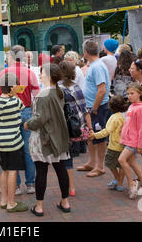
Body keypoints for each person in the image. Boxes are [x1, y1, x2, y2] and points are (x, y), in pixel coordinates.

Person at [24, 63, 70, 216]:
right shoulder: (59, 91)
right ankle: (65, 201)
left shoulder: (43, 94)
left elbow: (40, 118)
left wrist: (27, 124)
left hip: (44, 137)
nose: (40, 74)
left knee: (41, 171)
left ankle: (39, 206)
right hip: (59, 135)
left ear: (49, 76)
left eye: (42, 72)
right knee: (61, 169)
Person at [0, 45, 40, 195]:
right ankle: (30, 184)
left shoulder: (4, 73)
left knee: (12, 148)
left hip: (8, 112)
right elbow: (37, 95)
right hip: (26, 111)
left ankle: (15, 186)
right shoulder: (29, 73)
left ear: (11, 57)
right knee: (28, 149)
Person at [0, 72, 28, 212]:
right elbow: (22, 109)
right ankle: (11, 203)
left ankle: (3, 200)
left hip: (0, 143)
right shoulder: (16, 102)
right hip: (14, 142)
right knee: (13, 171)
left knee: (5, 170)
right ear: (13, 87)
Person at [58, 61, 93, 197]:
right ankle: (71, 187)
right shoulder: (76, 86)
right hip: (75, 127)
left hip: (61, 127)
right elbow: (84, 109)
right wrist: (89, 128)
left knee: (63, 158)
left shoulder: (56, 88)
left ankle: (67, 186)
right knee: (69, 158)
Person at [77, 40, 110, 178]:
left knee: (99, 136)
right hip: (91, 107)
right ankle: (91, 162)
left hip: (97, 108)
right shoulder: (95, 65)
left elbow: (101, 90)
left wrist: (95, 108)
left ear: (85, 52)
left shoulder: (97, 67)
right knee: (90, 135)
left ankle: (100, 166)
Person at [118, 82, 142, 199]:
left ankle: (131, 183)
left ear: (139, 93)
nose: (129, 96)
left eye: (132, 93)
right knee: (131, 162)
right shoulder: (132, 106)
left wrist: (141, 145)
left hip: (134, 140)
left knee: (121, 160)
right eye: (128, 94)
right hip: (127, 139)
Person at [88, 96, 128, 192]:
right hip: (125, 145)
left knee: (110, 163)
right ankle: (120, 183)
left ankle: (116, 178)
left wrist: (95, 135)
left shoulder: (113, 117)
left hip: (114, 146)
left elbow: (107, 131)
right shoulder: (125, 116)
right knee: (122, 165)